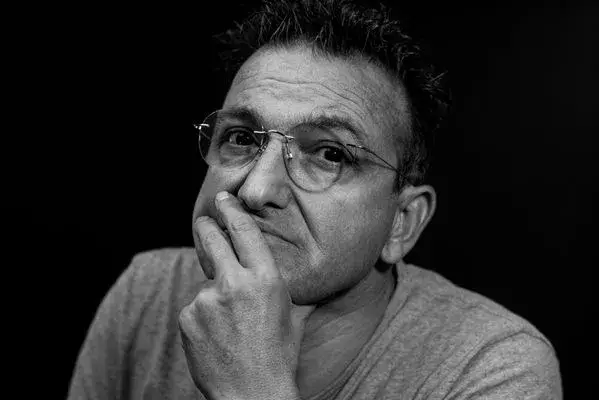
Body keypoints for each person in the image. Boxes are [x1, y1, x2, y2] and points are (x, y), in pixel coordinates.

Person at [67, 0, 562, 399]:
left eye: (329, 153)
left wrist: (252, 389)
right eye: (241, 138)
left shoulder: (491, 365)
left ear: (402, 223)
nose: (256, 191)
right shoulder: (146, 292)